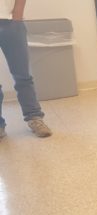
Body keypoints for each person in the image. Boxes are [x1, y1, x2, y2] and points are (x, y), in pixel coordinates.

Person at [0, 0, 52, 140]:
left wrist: (18, 14)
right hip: (12, 22)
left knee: (22, 75)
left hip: (11, 22)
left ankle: (34, 117)